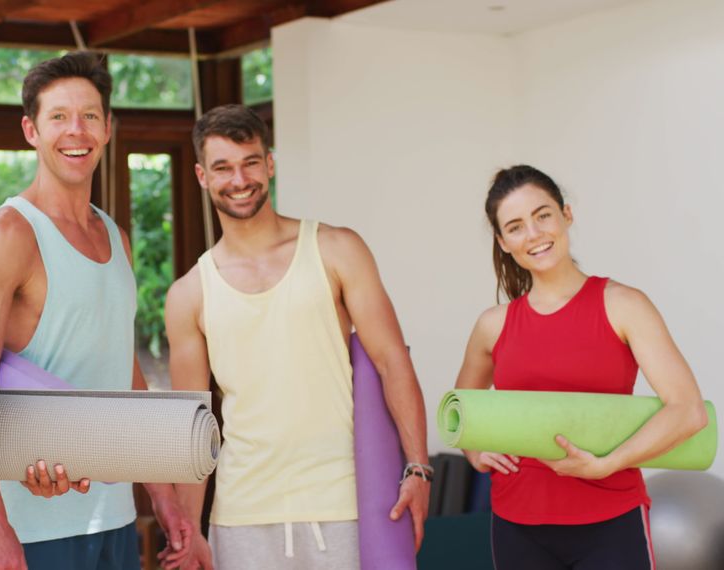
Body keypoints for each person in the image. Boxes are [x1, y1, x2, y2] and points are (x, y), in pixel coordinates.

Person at [164, 104, 431, 569]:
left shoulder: (335, 248)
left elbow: (392, 362)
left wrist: (418, 468)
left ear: (270, 164)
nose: (239, 179)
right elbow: (192, 425)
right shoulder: (189, 294)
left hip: (343, 505)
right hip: (242, 516)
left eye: (250, 162)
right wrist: (190, 530)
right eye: (223, 167)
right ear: (202, 176)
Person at [0, 51, 193, 570]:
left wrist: (164, 497)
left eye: (89, 116)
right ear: (30, 130)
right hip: (29, 529)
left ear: (108, 128)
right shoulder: (4, 237)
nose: (75, 131)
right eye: (58, 117)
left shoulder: (116, 238)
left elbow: (124, 377)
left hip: (112, 519)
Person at [454, 164, 708, 569]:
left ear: (566, 215)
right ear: (503, 242)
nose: (534, 234)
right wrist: (474, 451)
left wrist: (608, 463)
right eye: (516, 227)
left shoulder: (624, 305)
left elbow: (688, 410)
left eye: (542, 215)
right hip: (517, 523)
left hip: (611, 520)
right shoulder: (492, 325)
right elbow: (461, 411)